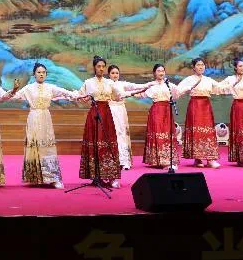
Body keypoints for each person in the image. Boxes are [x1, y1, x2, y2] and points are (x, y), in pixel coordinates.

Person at [71, 55, 142, 188]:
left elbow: (118, 95)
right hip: (94, 114)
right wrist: (75, 96)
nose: (101, 69)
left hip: (106, 114)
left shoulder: (109, 83)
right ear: (94, 67)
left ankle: (111, 177)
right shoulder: (88, 82)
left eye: (103, 66)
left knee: (108, 144)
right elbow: (81, 97)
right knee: (95, 143)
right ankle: (95, 175)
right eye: (99, 66)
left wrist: (133, 93)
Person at [11, 62, 76, 188]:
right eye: (39, 72)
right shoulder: (28, 88)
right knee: (35, 144)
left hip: (46, 117)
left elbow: (65, 92)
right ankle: (36, 176)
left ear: (46, 74)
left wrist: (79, 96)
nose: (41, 74)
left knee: (47, 146)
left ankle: (52, 177)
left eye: (43, 72)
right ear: (34, 74)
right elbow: (13, 97)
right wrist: (14, 89)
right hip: (34, 117)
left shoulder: (50, 87)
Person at [174, 57, 226, 168]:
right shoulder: (189, 79)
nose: (201, 67)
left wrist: (232, 82)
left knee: (208, 131)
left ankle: (210, 159)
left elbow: (220, 88)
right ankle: (198, 158)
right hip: (195, 106)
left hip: (206, 106)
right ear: (193, 67)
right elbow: (177, 91)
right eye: (198, 65)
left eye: (202, 65)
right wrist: (187, 88)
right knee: (196, 131)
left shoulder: (208, 80)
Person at [131, 63, 179, 170]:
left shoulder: (169, 85)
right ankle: (160, 160)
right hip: (157, 111)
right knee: (158, 134)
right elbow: (141, 94)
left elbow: (177, 93)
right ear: (154, 73)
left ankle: (168, 160)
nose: (161, 73)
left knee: (167, 134)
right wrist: (128, 93)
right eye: (158, 71)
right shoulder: (151, 85)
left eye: (163, 71)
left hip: (167, 110)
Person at [107, 64, 145, 170]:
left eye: (117, 73)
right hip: (110, 110)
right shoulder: (106, 84)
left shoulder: (122, 84)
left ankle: (124, 161)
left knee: (122, 134)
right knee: (112, 134)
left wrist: (148, 85)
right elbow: (122, 93)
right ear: (109, 74)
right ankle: (112, 160)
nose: (115, 75)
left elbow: (135, 86)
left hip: (121, 110)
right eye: (113, 73)